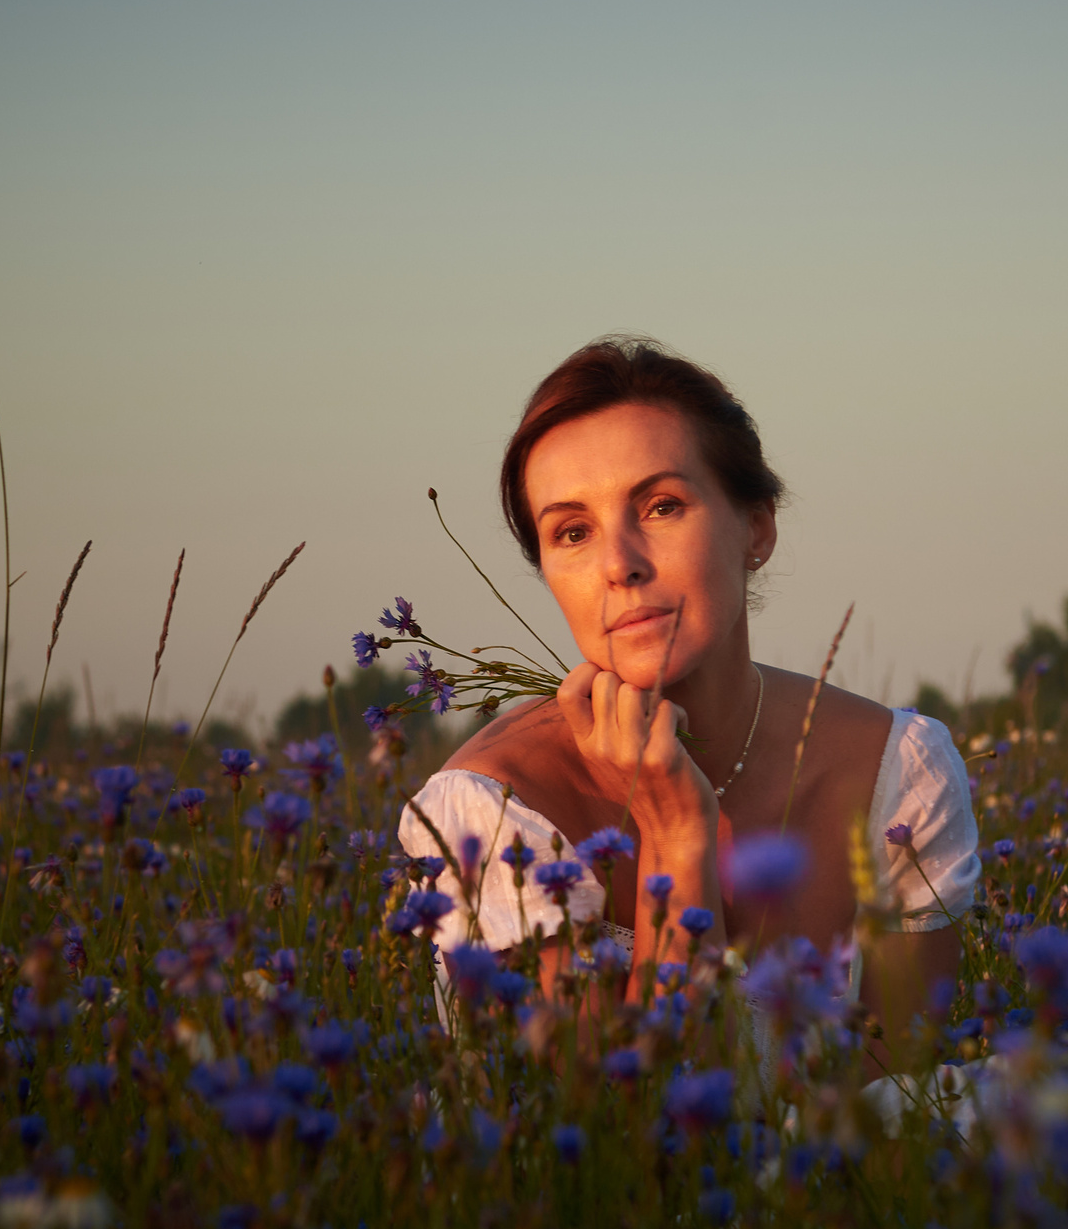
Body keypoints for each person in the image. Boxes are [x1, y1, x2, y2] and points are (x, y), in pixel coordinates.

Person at [395, 336, 977, 1086]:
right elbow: (629, 1133)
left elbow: (905, 1107)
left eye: (661, 506)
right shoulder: (495, 812)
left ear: (757, 527)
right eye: (573, 532)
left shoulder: (896, 774)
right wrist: (676, 836)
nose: (619, 563)